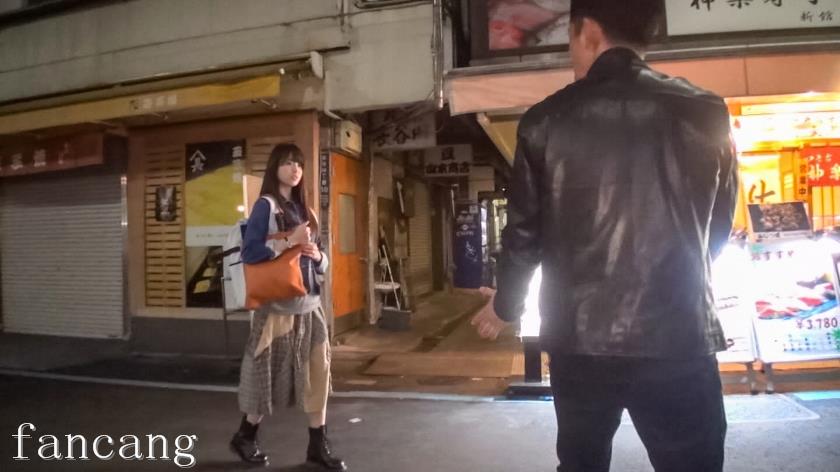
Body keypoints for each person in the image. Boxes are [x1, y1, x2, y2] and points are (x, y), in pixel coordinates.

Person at [471, 1, 737, 471]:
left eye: (570, 41)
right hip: (679, 333)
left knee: (583, 463)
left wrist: (506, 304)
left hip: (580, 339)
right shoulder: (706, 111)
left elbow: (524, 235)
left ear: (588, 32)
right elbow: (715, 229)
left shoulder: (545, 121)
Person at [230, 143, 346, 471]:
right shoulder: (265, 206)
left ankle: (317, 446)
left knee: (318, 374)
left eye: (299, 164)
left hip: (311, 307)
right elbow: (250, 252)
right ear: (275, 168)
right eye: (287, 163)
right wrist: (288, 243)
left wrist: (318, 256)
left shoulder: (305, 210)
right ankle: (245, 435)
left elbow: (321, 260)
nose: (295, 169)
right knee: (263, 376)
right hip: (277, 310)